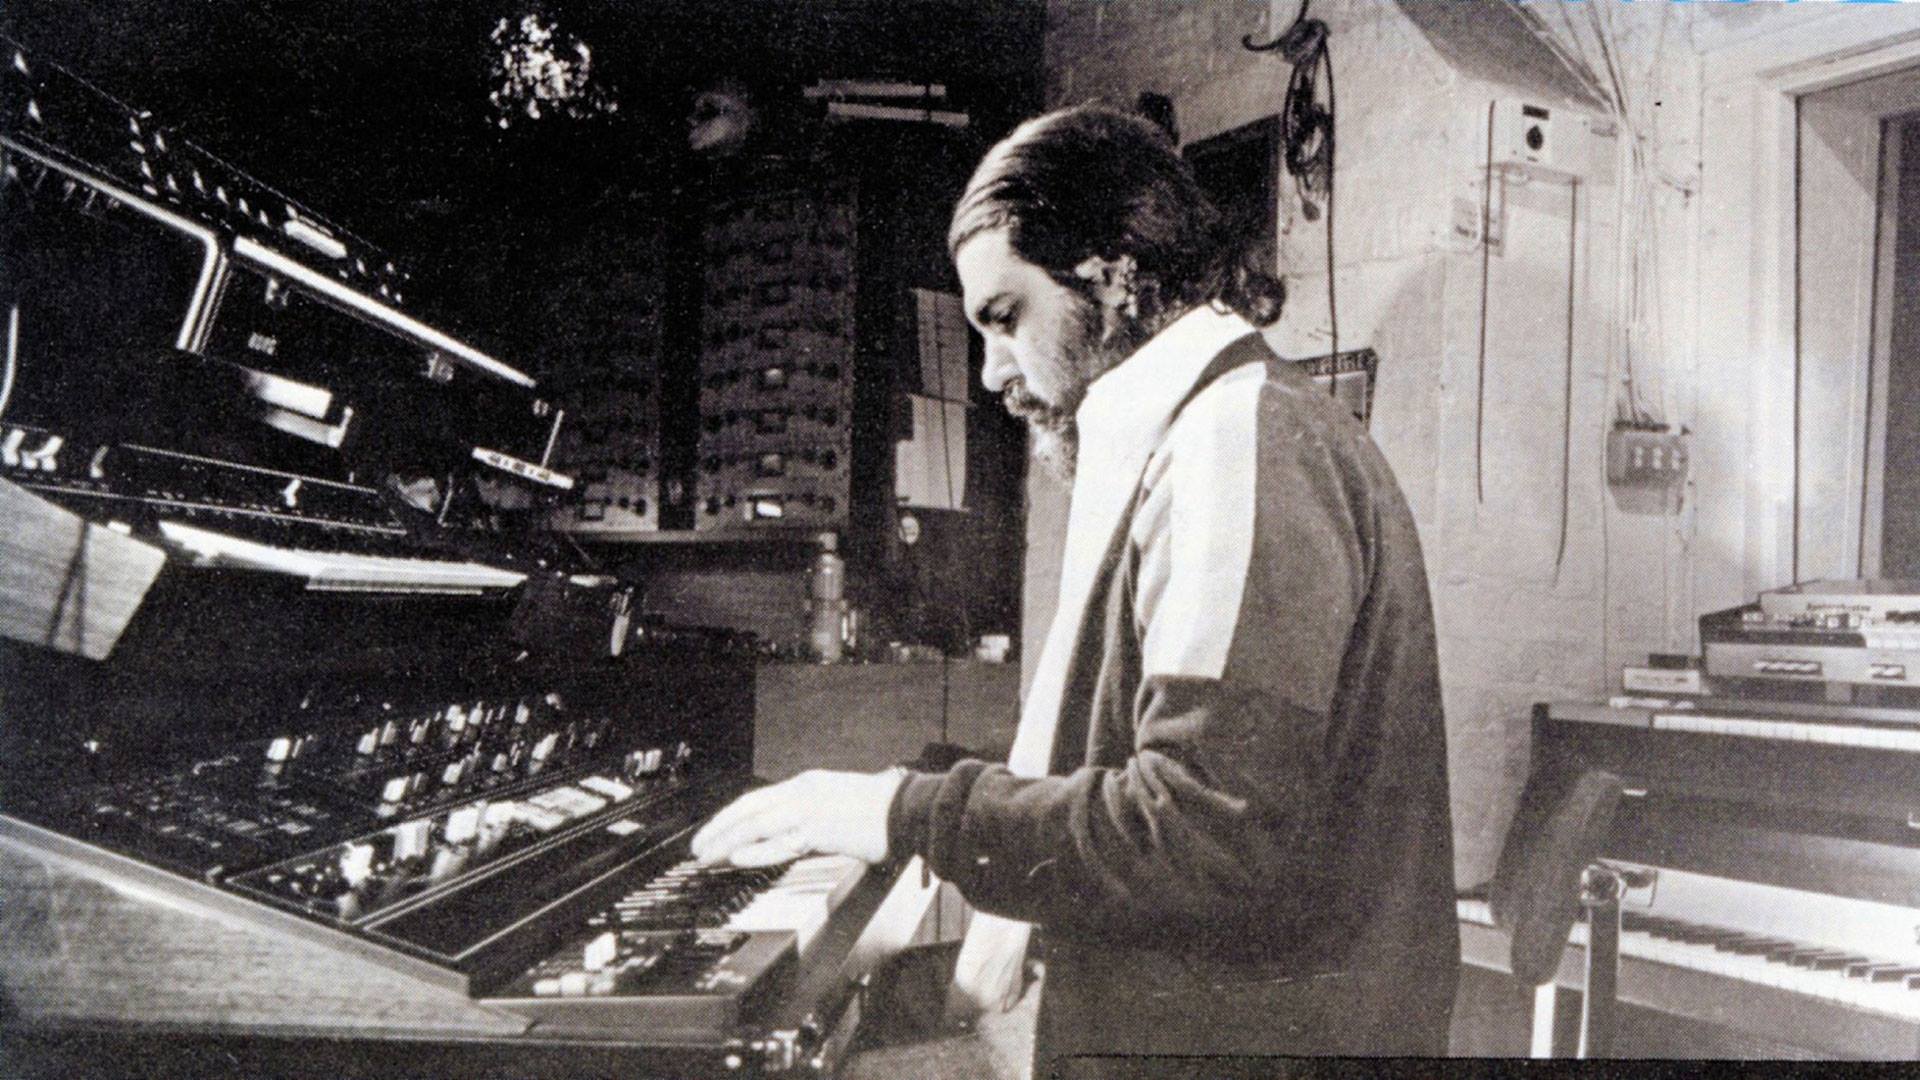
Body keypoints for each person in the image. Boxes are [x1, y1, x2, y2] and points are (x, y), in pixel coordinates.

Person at [692, 103, 1459, 1073]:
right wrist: (920, 795)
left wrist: (903, 812)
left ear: (1115, 275)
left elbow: (1198, 835)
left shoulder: (1235, 443)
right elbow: (1156, 763)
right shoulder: (1221, 425)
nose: (991, 374)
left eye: (1006, 318)